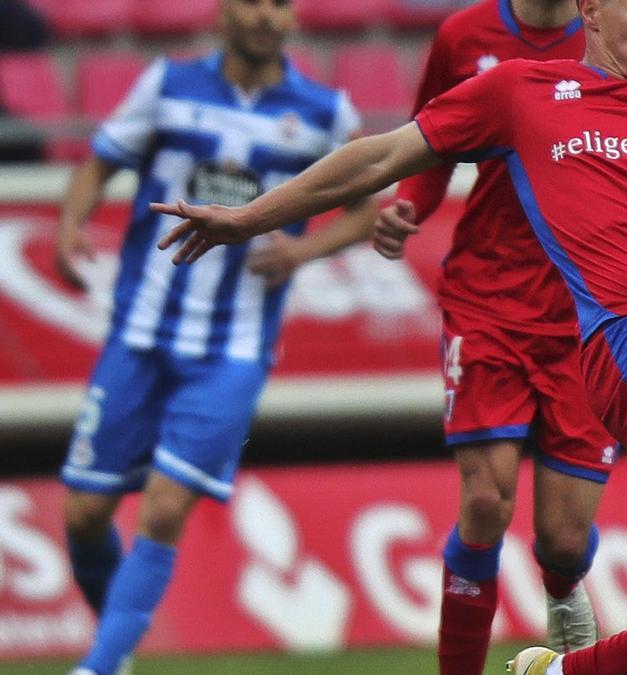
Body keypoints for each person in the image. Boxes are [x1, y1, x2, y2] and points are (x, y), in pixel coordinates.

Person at [153, 3, 627, 673]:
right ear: (590, 11)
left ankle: (562, 670)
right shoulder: (522, 92)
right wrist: (251, 218)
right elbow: (383, 155)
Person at [54, 1, 375, 673]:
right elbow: (100, 161)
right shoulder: (166, 85)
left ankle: (102, 664)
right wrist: (70, 223)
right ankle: (115, 642)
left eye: (280, 4)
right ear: (224, 10)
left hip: (234, 346)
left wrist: (301, 253)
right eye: (252, 1)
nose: (265, 15)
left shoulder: (325, 111)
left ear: (294, 18)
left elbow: (364, 211)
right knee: (85, 512)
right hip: (139, 333)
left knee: (166, 507)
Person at [374, 0, 610, 670]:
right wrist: (408, 207)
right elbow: (430, 143)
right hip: (490, 298)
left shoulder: (613, 32)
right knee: (484, 500)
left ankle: (565, 589)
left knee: (564, 539)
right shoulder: (464, 35)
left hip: (586, 309)